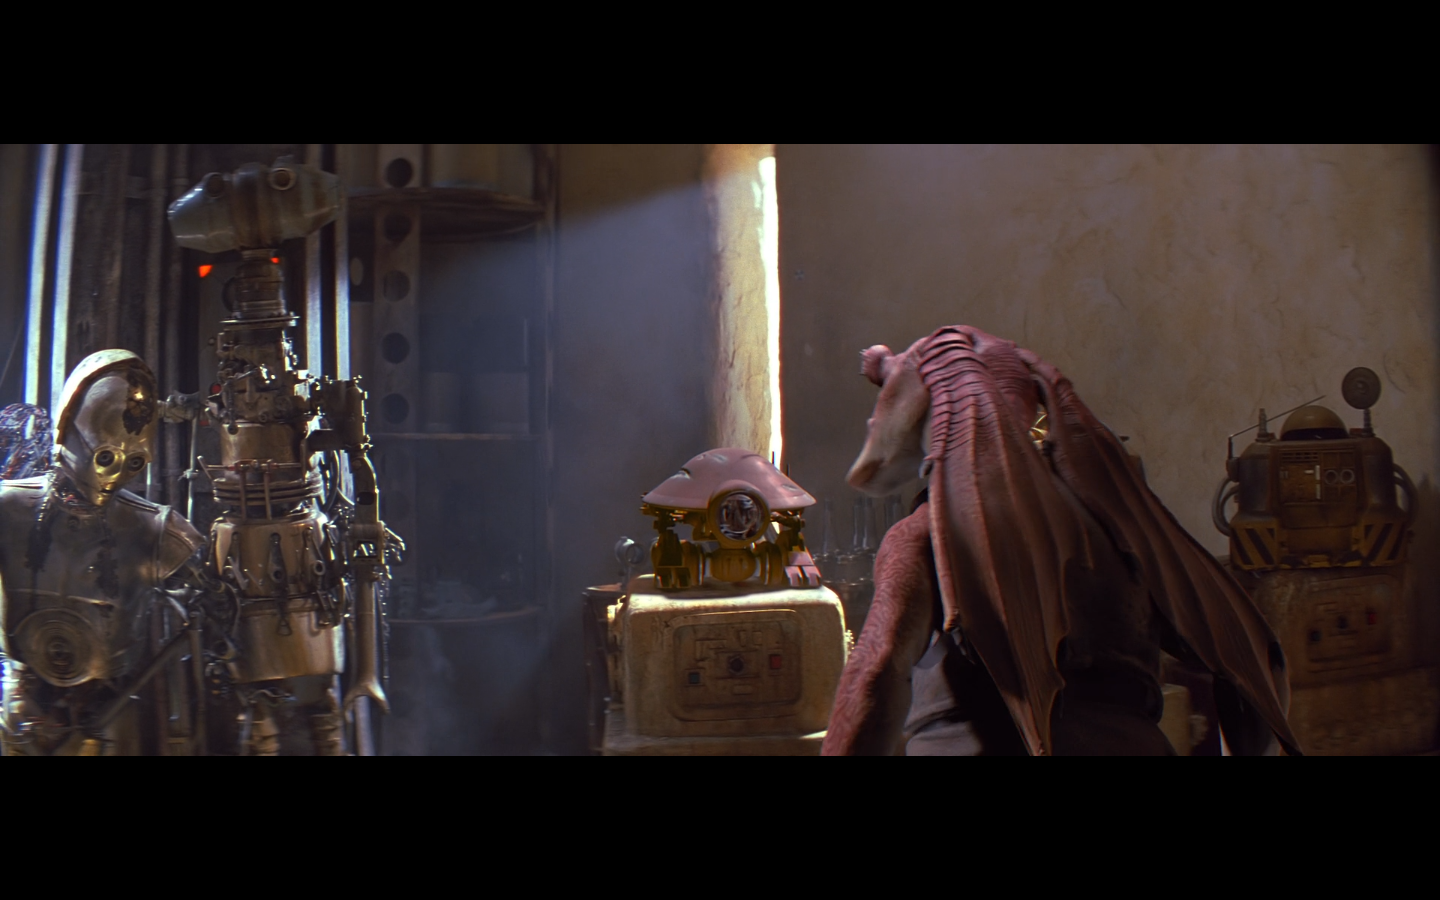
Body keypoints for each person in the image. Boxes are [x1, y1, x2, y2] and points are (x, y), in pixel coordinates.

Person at [0, 350, 204, 755]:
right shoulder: (8, 508)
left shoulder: (158, 531)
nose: (111, 474)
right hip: (20, 706)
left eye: (132, 461)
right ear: (69, 428)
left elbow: (214, 608)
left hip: (107, 714)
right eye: (105, 455)